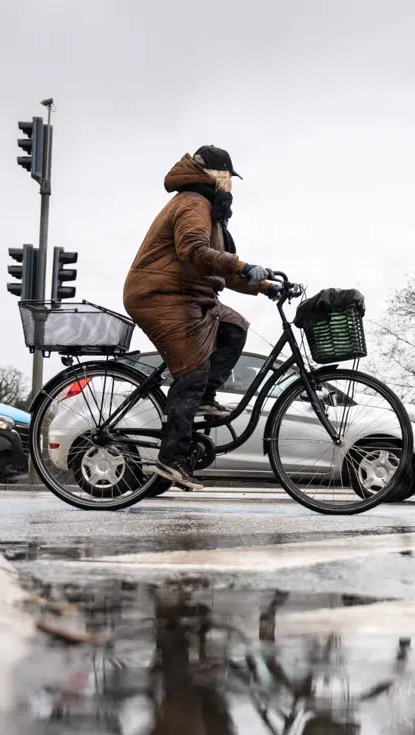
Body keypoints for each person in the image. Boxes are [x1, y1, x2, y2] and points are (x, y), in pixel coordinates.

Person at [124, 145, 280, 492]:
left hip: (190, 295)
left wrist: (266, 286)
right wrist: (243, 265)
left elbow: (218, 268)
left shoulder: (208, 209)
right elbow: (193, 250)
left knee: (234, 328)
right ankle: (172, 458)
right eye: (228, 177)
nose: (231, 185)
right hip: (161, 296)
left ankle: (204, 400)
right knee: (192, 371)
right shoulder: (194, 202)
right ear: (213, 175)